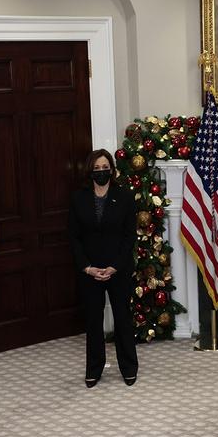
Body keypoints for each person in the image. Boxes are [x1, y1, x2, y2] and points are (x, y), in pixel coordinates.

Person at [68, 149, 138, 388]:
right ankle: (94, 369)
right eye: (96, 168)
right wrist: (87, 267)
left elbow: (130, 237)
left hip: (117, 268)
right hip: (90, 270)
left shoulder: (125, 196)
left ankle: (128, 367)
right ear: (90, 171)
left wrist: (115, 266)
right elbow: (74, 237)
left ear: (112, 169)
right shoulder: (78, 198)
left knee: (122, 318)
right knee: (93, 320)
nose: (101, 172)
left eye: (105, 167)